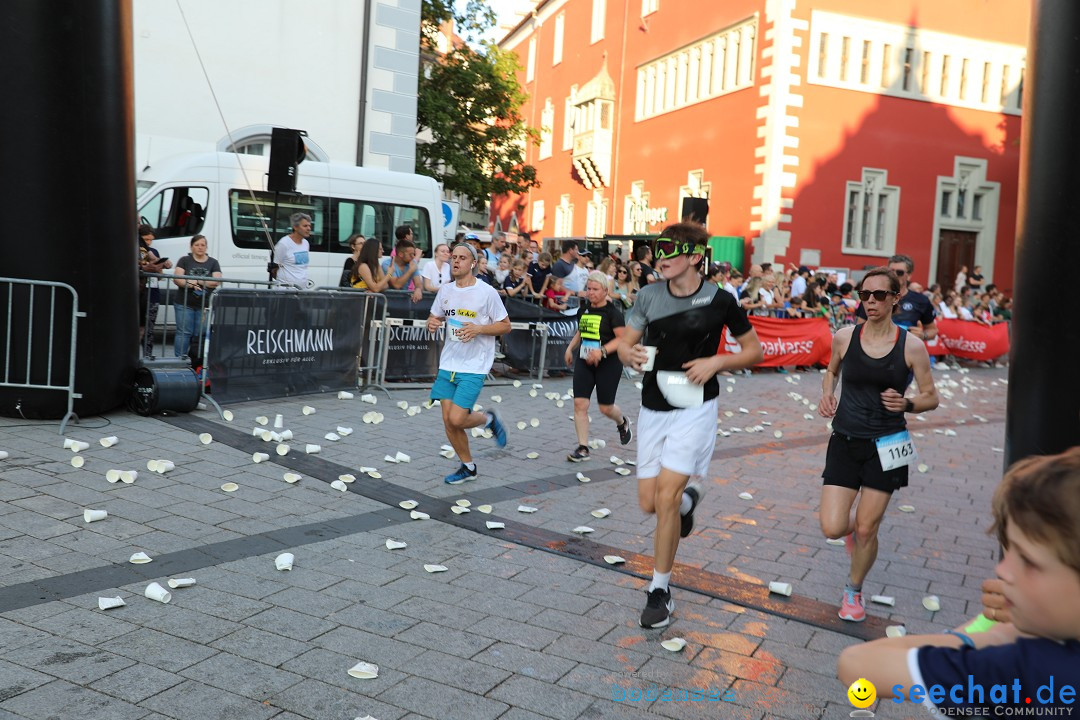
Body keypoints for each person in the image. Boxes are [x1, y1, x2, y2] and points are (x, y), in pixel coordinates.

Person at [837, 447, 1080, 712]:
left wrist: (994, 633)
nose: (1002, 571)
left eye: (1030, 562)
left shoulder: (1029, 669)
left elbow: (857, 666)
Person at [619, 222, 763, 628]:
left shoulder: (721, 300)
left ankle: (659, 591)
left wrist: (717, 361)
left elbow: (754, 350)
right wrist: (628, 355)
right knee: (650, 503)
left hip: (696, 407)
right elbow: (629, 343)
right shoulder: (647, 294)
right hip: (654, 405)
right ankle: (688, 502)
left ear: (695, 257)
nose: (660, 258)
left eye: (669, 252)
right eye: (657, 251)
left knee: (663, 499)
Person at [819, 267, 939, 622]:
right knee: (833, 527)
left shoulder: (911, 346)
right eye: (865, 294)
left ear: (895, 299)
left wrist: (909, 404)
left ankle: (853, 591)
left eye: (879, 295)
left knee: (868, 526)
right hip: (845, 438)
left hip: (890, 443)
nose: (870, 301)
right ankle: (857, 540)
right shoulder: (845, 337)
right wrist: (827, 394)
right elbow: (831, 371)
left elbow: (931, 397)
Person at [426, 242, 512, 484]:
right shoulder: (445, 291)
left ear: (473, 264)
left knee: (457, 419)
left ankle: (489, 420)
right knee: (448, 421)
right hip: (449, 363)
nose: (456, 261)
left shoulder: (487, 292)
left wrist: (479, 329)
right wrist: (431, 323)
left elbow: (506, 325)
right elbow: (435, 317)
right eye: (453, 257)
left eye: (462, 258)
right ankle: (468, 466)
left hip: (474, 365)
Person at [564, 272, 633, 462]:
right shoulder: (583, 309)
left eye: (595, 289)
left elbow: (622, 339)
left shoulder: (613, 313)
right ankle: (583, 447)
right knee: (580, 403)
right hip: (585, 361)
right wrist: (570, 348)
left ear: (605, 291)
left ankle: (622, 421)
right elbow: (581, 331)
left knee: (605, 407)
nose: (591, 293)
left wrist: (602, 352)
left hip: (608, 363)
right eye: (588, 289)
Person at [856, 254, 937, 341]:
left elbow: (932, 330)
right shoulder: (871, 296)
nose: (894, 275)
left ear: (909, 275)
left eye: (899, 272)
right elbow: (859, 328)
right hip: (876, 348)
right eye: (891, 271)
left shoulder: (921, 300)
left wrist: (923, 335)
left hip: (906, 349)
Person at [172, 235, 222, 363]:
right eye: (197, 245)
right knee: (183, 333)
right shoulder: (184, 260)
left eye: (203, 245)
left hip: (205, 306)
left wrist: (197, 281)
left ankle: (196, 363)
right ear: (191, 246)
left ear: (206, 247)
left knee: (200, 335)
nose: (200, 247)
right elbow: (177, 279)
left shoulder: (213, 262)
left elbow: (216, 281)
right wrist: (192, 284)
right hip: (184, 303)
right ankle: (179, 362)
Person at [138, 225, 172, 357]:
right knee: (138, 327)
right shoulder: (136, 248)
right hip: (140, 291)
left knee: (149, 328)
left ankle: (148, 355)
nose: (149, 243)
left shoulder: (153, 251)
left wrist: (161, 265)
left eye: (151, 240)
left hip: (152, 292)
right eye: (146, 239)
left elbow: (160, 274)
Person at [273, 212, 313, 288]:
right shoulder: (283, 244)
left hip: (301, 290)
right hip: (285, 291)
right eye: (305, 226)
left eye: (309, 226)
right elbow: (275, 268)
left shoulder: (306, 243)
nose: (309, 229)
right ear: (295, 227)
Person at [383, 235, 424, 303]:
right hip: (389, 300)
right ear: (401, 254)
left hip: (405, 301)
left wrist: (418, 289)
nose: (413, 257)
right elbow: (396, 285)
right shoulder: (387, 264)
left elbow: (418, 283)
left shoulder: (412, 263)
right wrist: (410, 270)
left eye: (414, 254)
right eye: (410, 254)